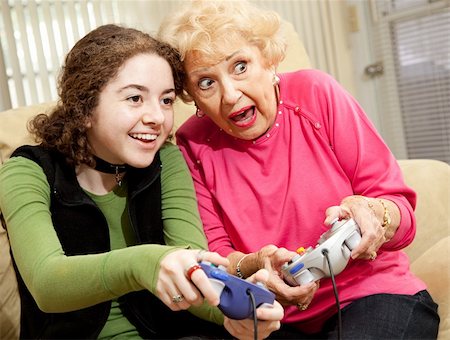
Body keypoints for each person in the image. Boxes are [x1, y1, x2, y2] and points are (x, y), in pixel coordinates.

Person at [157, 1, 440, 338]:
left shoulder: (316, 94)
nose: (230, 95)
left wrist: (374, 212)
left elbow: (402, 216)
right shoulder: (192, 143)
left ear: (268, 58)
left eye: (241, 66)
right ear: (192, 96)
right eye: (206, 83)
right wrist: (255, 264)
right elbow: (216, 255)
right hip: (273, 317)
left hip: (372, 296)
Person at [0, 24, 284, 339]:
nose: (157, 117)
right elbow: (46, 283)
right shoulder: (27, 170)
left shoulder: (167, 160)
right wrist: (146, 263)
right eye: (135, 98)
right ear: (84, 107)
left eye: (166, 100)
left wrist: (234, 313)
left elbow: (196, 275)